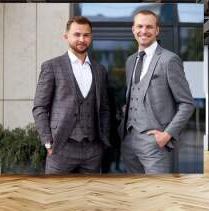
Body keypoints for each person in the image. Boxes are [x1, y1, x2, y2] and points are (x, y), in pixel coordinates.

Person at [118, 10, 195, 174]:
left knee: (157, 194)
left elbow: (187, 104)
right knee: (134, 193)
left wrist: (167, 135)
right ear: (133, 29)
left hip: (155, 144)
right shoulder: (130, 61)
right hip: (129, 142)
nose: (143, 31)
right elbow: (135, 95)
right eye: (139, 26)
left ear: (157, 30)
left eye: (149, 27)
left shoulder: (169, 60)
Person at [32, 16, 110, 175]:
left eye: (86, 35)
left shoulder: (100, 70)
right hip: (61, 148)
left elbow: (104, 109)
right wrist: (47, 141)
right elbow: (39, 107)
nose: (81, 39)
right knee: (56, 196)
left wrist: (104, 140)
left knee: (90, 197)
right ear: (66, 36)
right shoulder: (52, 66)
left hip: (93, 150)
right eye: (77, 34)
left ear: (91, 37)